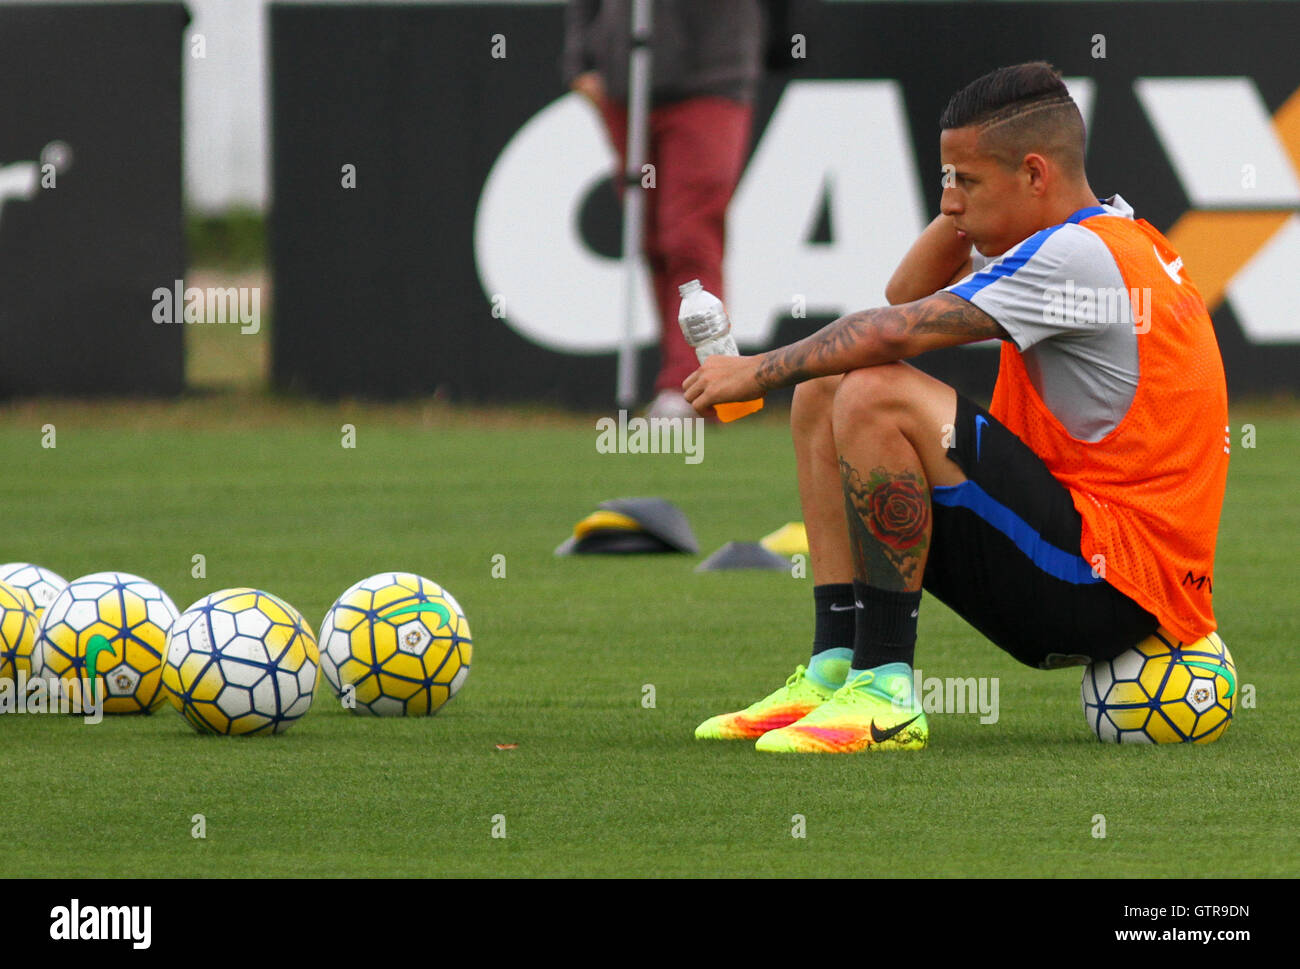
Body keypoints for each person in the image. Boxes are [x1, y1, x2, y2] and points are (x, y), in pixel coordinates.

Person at [683, 61, 1230, 753]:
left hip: (1108, 588)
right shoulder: (1098, 230)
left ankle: (885, 691)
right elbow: (904, 288)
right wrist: (971, 202)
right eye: (946, 182)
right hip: (1090, 562)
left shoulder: (1076, 256)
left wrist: (753, 372)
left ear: (1036, 176)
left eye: (964, 182)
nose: (948, 203)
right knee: (827, 386)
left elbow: (894, 328)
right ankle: (832, 670)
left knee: (874, 389)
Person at [562, 1, 769, 418]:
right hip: (626, 83)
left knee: (689, 235)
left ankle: (692, 383)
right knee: (651, 238)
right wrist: (580, 60)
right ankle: (694, 382)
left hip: (712, 76)